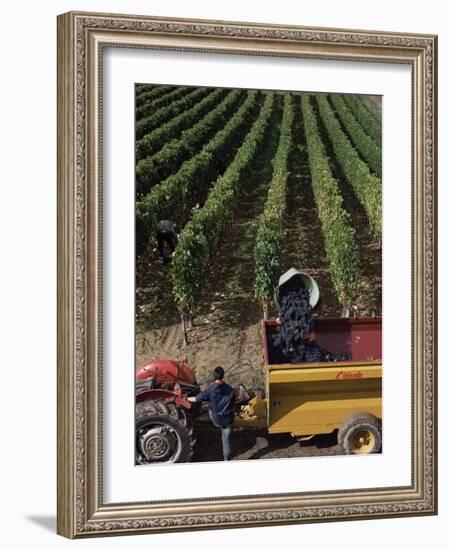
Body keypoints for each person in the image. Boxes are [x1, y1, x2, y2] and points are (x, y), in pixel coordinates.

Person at [187, 367, 235, 461]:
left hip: (216, 419)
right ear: (223, 375)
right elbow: (233, 403)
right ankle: (227, 458)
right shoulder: (230, 389)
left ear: (214, 376)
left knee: (210, 408)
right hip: (228, 419)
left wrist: (186, 398)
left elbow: (197, 399)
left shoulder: (211, 389)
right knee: (226, 438)